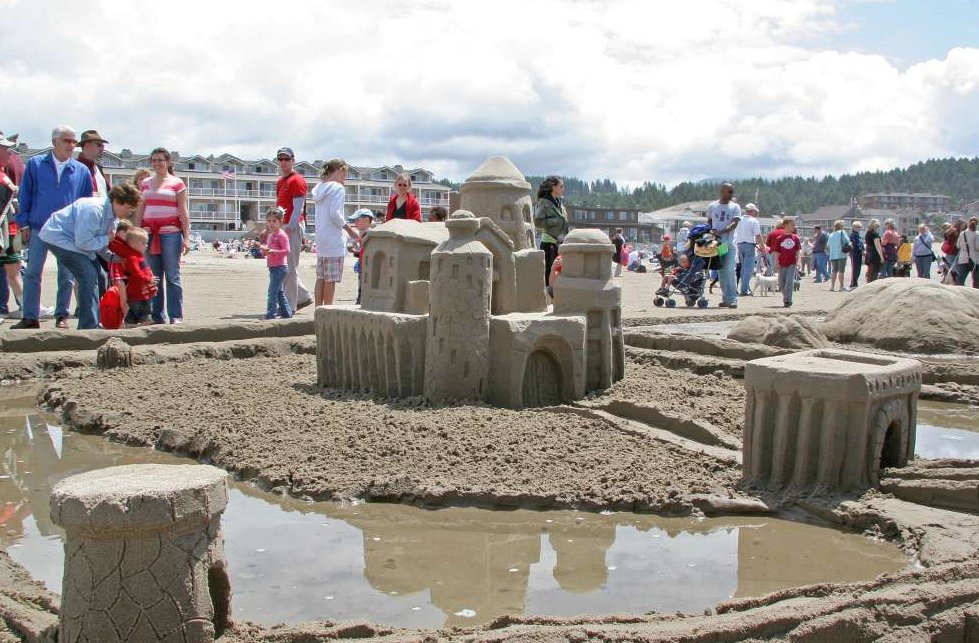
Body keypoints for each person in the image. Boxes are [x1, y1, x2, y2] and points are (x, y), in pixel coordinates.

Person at [12, 125, 94, 330]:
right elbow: (25, 195)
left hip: (67, 230)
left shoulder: (81, 170)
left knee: (66, 275)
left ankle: (62, 316)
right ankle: (30, 316)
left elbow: (86, 202)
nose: (72, 145)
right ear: (55, 141)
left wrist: (83, 228)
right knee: (32, 272)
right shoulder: (36, 164)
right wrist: (23, 223)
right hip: (39, 226)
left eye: (74, 141)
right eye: (68, 141)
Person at [37, 183, 141, 329]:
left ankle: (96, 320)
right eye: (128, 208)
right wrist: (106, 239)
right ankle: (88, 325)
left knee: (101, 276)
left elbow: (100, 246)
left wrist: (117, 258)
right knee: (88, 275)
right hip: (58, 237)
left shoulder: (113, 218)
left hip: (75, 242)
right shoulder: (94, 210)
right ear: (117, 201)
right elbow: (84, 242)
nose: (129, 213)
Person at [135, 147, 189, 324]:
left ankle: (175, 316)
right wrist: (136, 232)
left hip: (170, 234)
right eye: (154, 160)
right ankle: (157, 316)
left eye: (160, 160)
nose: (157, 163)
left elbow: (183, 211)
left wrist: (186, 238)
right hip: (149, 234)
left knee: (172, 276)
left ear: (168, 162)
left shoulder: (177, 183)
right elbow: (140, 210)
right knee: (154, 277)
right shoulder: (145, 184)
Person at [311, 159, 360, 307]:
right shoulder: (338, 188)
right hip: (333, 239)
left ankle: (318, 310)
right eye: (345, 173)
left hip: (321, 237)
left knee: (321, 277)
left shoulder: (320, 187)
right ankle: (327, 311)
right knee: (330, 279)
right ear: (339, 170)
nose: (346, 177)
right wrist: (350, 230)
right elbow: (335, 214)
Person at [275, 147, 313, 312]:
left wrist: (289, 227)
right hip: (282, 225)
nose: (283, 162)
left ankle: (290, 305)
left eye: (286, 159)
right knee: (284, 266)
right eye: (280, 159)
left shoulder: (297, 180)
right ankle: (303, 297)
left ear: (293, 160)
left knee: (288, 267)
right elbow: (280, 206)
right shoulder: (281, 181)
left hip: (292, 225)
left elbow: (298, 209)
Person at [112, 228, 158, 327]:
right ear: (133, 243)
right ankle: (134, 324)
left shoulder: (138, 255)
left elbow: (145, 270)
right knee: (140, 311)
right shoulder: (133, 257)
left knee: (139, 312)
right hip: (137, 292)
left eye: (146, 243)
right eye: (143, 243)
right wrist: (148, 279)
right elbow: (136, 273)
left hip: (142, 291)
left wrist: (151, 283)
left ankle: (134, 323)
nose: (146, 246)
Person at [706, 182, 741, 308]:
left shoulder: (735, 207)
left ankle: (733, 299)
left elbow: (734, 223)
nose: (731, 194)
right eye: (729, 192)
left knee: (729, 269)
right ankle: (726, 297)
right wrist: (710, 231)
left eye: (732, 192)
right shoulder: (713, 206)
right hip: (718, 244)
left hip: (729, 243)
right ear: (722, 191)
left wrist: (721, 231)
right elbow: (709, 222)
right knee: (721, 271)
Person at [0, 133, 23, 316]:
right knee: (12, 265)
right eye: (6, 149)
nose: (10, 153)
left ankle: (26, 305)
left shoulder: (3, 174)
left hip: (7, 228)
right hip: (4, 227)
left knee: (13, 265)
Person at [533, 176, 569, 287]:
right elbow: (538, 222)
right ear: (553, 187)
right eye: (561, 186)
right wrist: (554, 220)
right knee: (549, 271)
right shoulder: (544, 203)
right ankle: (548, 298)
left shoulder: (559, 204)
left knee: (560, 270)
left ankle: (555, 297)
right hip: (549, 242)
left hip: (560, 242)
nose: (563, 188)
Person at [259, 207, 292, 318]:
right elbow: (269, 251)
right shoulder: (271, 235)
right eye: (269, 221)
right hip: (273, 267)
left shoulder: (281, 235)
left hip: (280, 267)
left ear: (280, 222)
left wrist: (272, 251)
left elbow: (286, 250)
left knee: (272, 292)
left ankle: (271, 313)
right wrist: (264, 251)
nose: (271, 224)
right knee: (278, 292)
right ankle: (286, 313)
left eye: (274, 221)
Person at [771, 217, 802, 308]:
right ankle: (785, 297)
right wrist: (776, 263)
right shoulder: (779, 238)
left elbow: (798, 251)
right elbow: (777, 252)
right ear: (785, 225)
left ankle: (788, 300)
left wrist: (799, 261)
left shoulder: (795, 238)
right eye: (792, 224)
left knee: (789, 281)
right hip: (782, 263)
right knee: (782, 282)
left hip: (791, 263)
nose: (794, 226)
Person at [733, 203, 763, 295]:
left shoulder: (739, 220)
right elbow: (757, 235)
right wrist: (762, 246)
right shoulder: (754, 221)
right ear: (752, 211)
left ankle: (743, 288)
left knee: (743, 268)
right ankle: (744, 289)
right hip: (749, 245)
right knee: (749, 269)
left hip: (740, 244)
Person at [347, 209, 374, 305]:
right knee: (362, 283)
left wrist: (355, 251)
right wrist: (356, 252)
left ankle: (361, 302)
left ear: (366, 220)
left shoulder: (368, 234)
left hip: (367, 265)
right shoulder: (363, 234)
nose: (355, 223)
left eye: (357, 220)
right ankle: (361, 301)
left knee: (363, 284)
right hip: (363, 263)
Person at [76, 130, 110, 197]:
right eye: (99, 145)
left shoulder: (99, 169)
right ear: (87, 145)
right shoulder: (74, 169)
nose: (102, 148)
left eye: (103, 146)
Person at [826, 219, 849, 292]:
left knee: (834, 271)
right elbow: (847, 241)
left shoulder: (831, 234)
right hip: (841, 254)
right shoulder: (842, 232)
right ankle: (841, 286)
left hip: (833, 255)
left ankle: (832, 286)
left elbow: (828, 245)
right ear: (841, 226)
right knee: (841, 271)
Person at [956, 217, 979, 287]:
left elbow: (958, 245)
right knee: (976, 280)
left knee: (960, 279)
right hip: (974, 259)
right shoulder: (977, 234)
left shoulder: (962, 233)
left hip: (962, 258)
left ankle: (960, 294)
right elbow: (977, 247)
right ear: (977, 224)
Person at [849, 221, 864, 288]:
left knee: (858, 269)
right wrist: (861, 249)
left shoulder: (858, 235)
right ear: (854, 227)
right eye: (858, 227)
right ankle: (853, 284)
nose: (859, 228)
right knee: (855, 269)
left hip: (859, 253)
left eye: (860, 227)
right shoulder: (853, 235)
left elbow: (861, 244)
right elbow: (855, 245)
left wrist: (863, 250)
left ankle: (854, 283)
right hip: (854, 253)